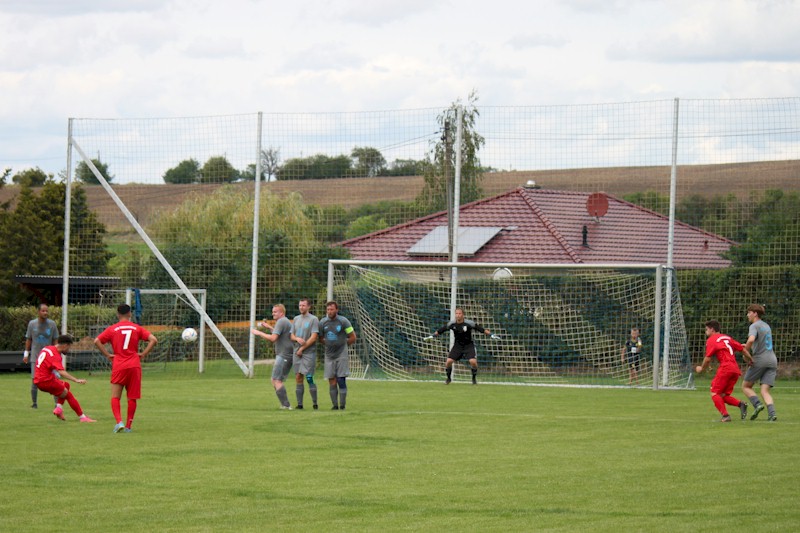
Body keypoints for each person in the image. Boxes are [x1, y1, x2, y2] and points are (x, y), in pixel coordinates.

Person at [94, 304, 158, 433]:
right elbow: (153, 340)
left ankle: (119, 422)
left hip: (119, 364)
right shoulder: (136, 328)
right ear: (130, 314)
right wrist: (143, 354)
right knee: (132, 398)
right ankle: (128, 426)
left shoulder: (112, 329)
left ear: (118, 314)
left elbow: (96, 341)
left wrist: (107, 355)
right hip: (134, 365)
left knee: (115, 396)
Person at [695, 320, 749, 422]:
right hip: (735, 370)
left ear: (712, 329)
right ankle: (741, 404)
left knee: (714, 393)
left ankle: (725, 416)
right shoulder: (727, 338)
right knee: (722, 396)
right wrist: (751, 360)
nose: (706, 332)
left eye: (706, 329)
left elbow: (707, 358)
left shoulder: (712, 340)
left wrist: (702, 368)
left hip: (726, 368)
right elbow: (743, 350)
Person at [33, 334, 96, 423]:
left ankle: (59, 409)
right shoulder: (55, 355)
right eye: (69, 347)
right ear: (65, 345)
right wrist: (76, 380)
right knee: (68, 394)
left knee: (66, 385)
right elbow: (61, 372)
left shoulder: (47, 348)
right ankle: (82, 417)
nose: (68, 350)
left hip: (39, 379)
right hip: (46, 381)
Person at [432, 307, 491, 385]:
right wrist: (433, 335)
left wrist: (491, 334)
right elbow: (441, 330)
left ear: (463, 315)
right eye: (456, 313)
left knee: (473, 362)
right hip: (457, 346)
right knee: (448, 362)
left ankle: (474, 379)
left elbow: (481, 329)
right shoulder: (452, 324)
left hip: (468, 345)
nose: (458, 315)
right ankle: (448, 379)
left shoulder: (469, 323)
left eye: (459, 313)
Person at [251, 304, 294, 410]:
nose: (273, 313)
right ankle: (284, 404)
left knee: (276, 380)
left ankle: (286, 405)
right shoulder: (284, 321)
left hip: (284, 355)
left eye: (275, 312)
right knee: (274, 379)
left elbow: (273, 338)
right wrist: (270, 327)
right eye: (273, 311)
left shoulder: (281, 321)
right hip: (284, 354)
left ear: (281, 313)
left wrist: (259, 333)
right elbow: (279, 335)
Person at [742, 304, 779, 421]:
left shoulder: (754, 326)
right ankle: (772, 414)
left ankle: (757, 404)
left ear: (755, 313)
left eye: (749, 312)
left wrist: (745, 351)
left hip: (760, 360)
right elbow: (761, 343)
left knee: (746, 386)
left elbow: (751, 340)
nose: (747, 315)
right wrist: (747, 346)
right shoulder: (766, 326)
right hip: (772, 360)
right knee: (764, 390)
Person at [319, 301, 356, 410]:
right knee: (332, 380)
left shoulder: (344, 321)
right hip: (329, 355)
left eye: (332, 309)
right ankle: (335, 405)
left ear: (336, 310)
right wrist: (329, 344)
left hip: (341, 354)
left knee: (341, 379)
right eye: (328, 310)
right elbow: (320, 338)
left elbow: (353, 337)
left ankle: (342, 405)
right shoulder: (322, 322)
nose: (329, 312)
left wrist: (343, 345)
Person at [23, 303, 59, 408]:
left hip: (49, 358)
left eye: (47, 311)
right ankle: (34, 403)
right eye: (43, 311)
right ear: (38, 312)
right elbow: (29, 339)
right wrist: (26, 353)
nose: (45, 313)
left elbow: (55, 340)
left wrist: (56, 355)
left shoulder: (52, 324)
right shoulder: (32, 324)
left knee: (54, 380)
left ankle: (57, 404)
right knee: (35, 380)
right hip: (36, 357)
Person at [290, 297, 320, 410]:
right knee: (298, 376)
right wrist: (297, 339)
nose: (301, 307)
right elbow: (291, 335)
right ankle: (300, 404)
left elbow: (314, 337)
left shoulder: (313, 319)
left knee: (309, 377)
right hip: (297, 352)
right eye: (300, 305)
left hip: (308, 353)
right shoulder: (296, 319)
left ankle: (315, 403)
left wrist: (302, 348)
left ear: (308, 306)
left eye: (303, 305)